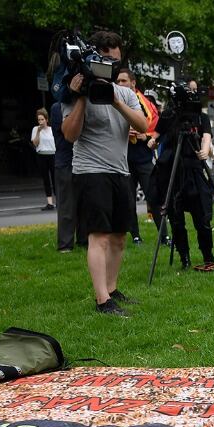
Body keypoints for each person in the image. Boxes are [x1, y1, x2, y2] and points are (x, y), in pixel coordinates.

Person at [61, 31, 150, 315]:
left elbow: (143, 125)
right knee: (98, 235)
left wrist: (115, 100)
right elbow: (69, 135)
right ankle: (102, 301)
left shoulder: (124, 92)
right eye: (105, 60)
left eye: (115, 60)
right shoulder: (74, 92)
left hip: (120, 171)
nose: (110, 66)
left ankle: (112, 289)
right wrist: (83, 98)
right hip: (90, 171)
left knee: (119, 236)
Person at [154, 107, 214, 273]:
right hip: (173, 173)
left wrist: (205, 150)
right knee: (176, 219)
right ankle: (184, 257)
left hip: (194, 172)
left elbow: (206, 137)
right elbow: (156, 136)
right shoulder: (170, 115)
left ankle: (208, 257)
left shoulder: (201, 117)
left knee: (202, 218)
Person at [114, 68, 159, 245]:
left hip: (144, 158)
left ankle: (164, 236)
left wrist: (145, 135)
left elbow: (157, 128)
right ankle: (135, 236)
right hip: (124, 159)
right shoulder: (116, 101)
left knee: (154, 198)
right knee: (128, 201)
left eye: (124, 81)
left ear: (133, 83)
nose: (120, 84)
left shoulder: (145, 103)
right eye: (118, 81)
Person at [49, 98, 79, 252]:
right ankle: (65, 244)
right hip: (66, 161)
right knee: (67, 205)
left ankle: (84, 239)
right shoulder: (58, 107)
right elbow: (66, 134)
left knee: (85, 204)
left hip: (81, 161)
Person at [31, 109, 56, 212]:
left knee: (55, 178)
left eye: (42, 119)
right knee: (46, 179)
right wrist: (38, 131)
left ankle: (59, 200)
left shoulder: (52, 129)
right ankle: (50, 203)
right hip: (41, 155)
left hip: (53, 155)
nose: (40, 122)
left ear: (46, 119)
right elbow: (35, 143)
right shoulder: (35, 129)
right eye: (38, 120)